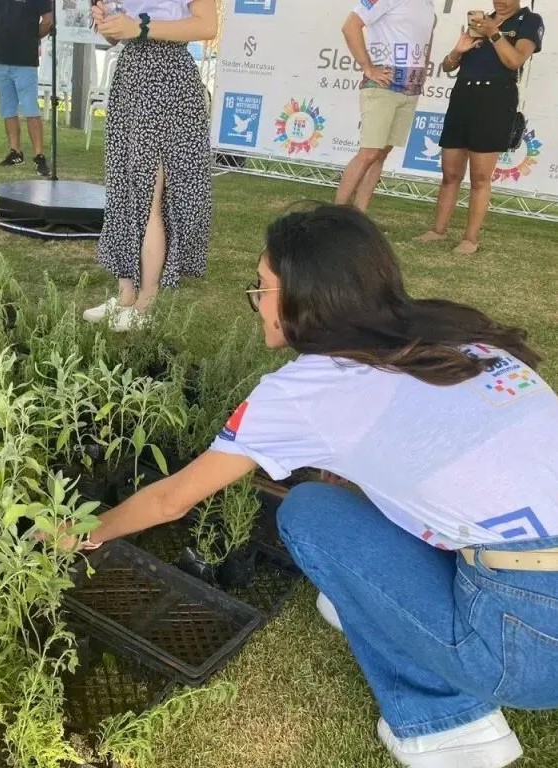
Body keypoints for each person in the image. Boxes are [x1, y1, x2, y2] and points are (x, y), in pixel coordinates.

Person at [66, 204, 558, 768]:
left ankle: (449, 726)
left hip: (527, 645)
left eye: (264, 287)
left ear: (308, 298)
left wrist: (85, 533)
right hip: (535, 595)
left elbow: (172, 498)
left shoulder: (306, 392)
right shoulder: (462, 338)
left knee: (309, 513)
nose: (256, 300)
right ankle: (377, 599)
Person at [81, 0, 216, 332]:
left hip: (168, 78)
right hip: (131, 76)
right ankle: (126, 295)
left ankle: (146, 302)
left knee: (151, 196)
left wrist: (140, 28)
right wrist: (108, 22)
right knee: (125, 189)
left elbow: (206, 26)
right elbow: (116, 35)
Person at [417, 2, 544, 255]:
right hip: (463, 95)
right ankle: (438, 230)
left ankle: (470, 238)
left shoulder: (529, 20)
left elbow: (514, 60)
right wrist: (457, 51)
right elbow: (448, 66)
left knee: (480, 177)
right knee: (450, 171)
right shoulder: (482, 18)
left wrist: (493, 33)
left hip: (495, 99)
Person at [334, 0, 436, 212]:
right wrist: (368, 67)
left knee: (381, 154)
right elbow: (350, 26)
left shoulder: (428, 3)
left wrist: (422, 72)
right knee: (369, 153)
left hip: (410, 89)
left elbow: (426, 42)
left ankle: (360, 215)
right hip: (384, 86)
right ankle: (334, 216)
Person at [0, 0, 53, 177]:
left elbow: (48, 21)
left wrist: (29, 37)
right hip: (1, 61)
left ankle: (39, 155)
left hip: (25, 62)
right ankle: (15, 152)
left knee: (30, 109)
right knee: (8, 108)